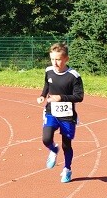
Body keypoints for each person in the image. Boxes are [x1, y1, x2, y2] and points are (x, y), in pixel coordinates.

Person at [36, 42, 84, 183]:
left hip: (67, 116)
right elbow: (47, 84)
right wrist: (43, 96)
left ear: (66, 59)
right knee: (46, 139)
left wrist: (60, 98)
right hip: (51, 112)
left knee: (66, 145)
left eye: (58, 59)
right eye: (52, 59)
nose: (55, 63)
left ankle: (67, 169)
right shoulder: (49, 71)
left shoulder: (74, 76)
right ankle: (53, 150)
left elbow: (79, 97)